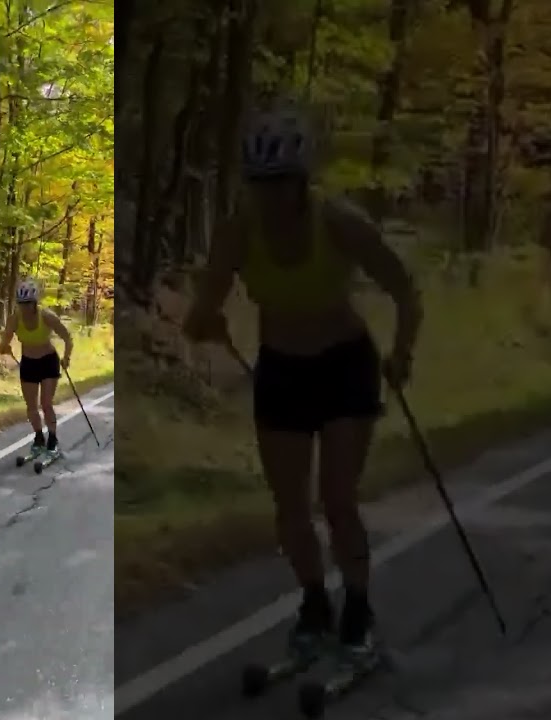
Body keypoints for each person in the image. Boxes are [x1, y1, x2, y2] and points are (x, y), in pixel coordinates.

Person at [182, 103, 421, 667]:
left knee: (338, 499)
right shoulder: (238, 232)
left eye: (280, 183)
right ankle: (315, 606)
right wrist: (205, 322)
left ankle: (358, 609)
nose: (269, 196)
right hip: (283, 371)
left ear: (301, 181)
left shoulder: (339, 223)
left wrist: (402, 352)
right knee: (290, 507)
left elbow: (405, 290)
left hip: (345, 366)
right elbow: (202, 309)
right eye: (259, 184)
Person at [0, 279, 74, 457]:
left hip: (48, 361)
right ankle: (39, 438)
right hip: (29, 363)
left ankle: (52, 439)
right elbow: (3, 343)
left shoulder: (46, 316)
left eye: (28, 303)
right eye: (21, 304)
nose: (24, 307)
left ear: (34, 303)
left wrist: (66, 357)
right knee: (31, 406)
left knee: (46, 404)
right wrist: (4, 348)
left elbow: (67, 338)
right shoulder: (15, 319)